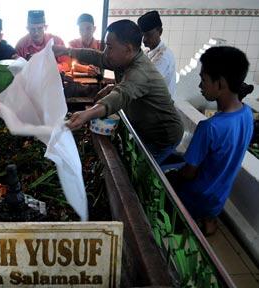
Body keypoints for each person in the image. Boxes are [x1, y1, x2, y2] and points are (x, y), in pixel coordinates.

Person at [54, 20, 183, 165]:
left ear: (127, 49)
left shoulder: (140, 72)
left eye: (109, 47)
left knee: (142, 172)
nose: (106, 53)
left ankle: (174, 162)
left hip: (163, 136)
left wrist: (86, 115)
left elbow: (120, 95)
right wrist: (67, 51)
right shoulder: (123, 58)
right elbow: (98, 57)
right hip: (145, 128)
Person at [172, 46, 254, 235]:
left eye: (204, 80)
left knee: (168, 178)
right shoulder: (247, 114)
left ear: (221, 83)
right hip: (219, 197)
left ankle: (186, 224)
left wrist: (176, 175)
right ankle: (209, 223)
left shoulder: (209, 127)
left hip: (196, 197)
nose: (200, 86)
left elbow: (189, 173)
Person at [138, 11, 176, 97]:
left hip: (161, 108)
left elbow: (145, 83)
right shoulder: (147, 52)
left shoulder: (163, 56)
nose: (144, 40)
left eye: (148, 35)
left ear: (160, 31)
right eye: (142, 35)